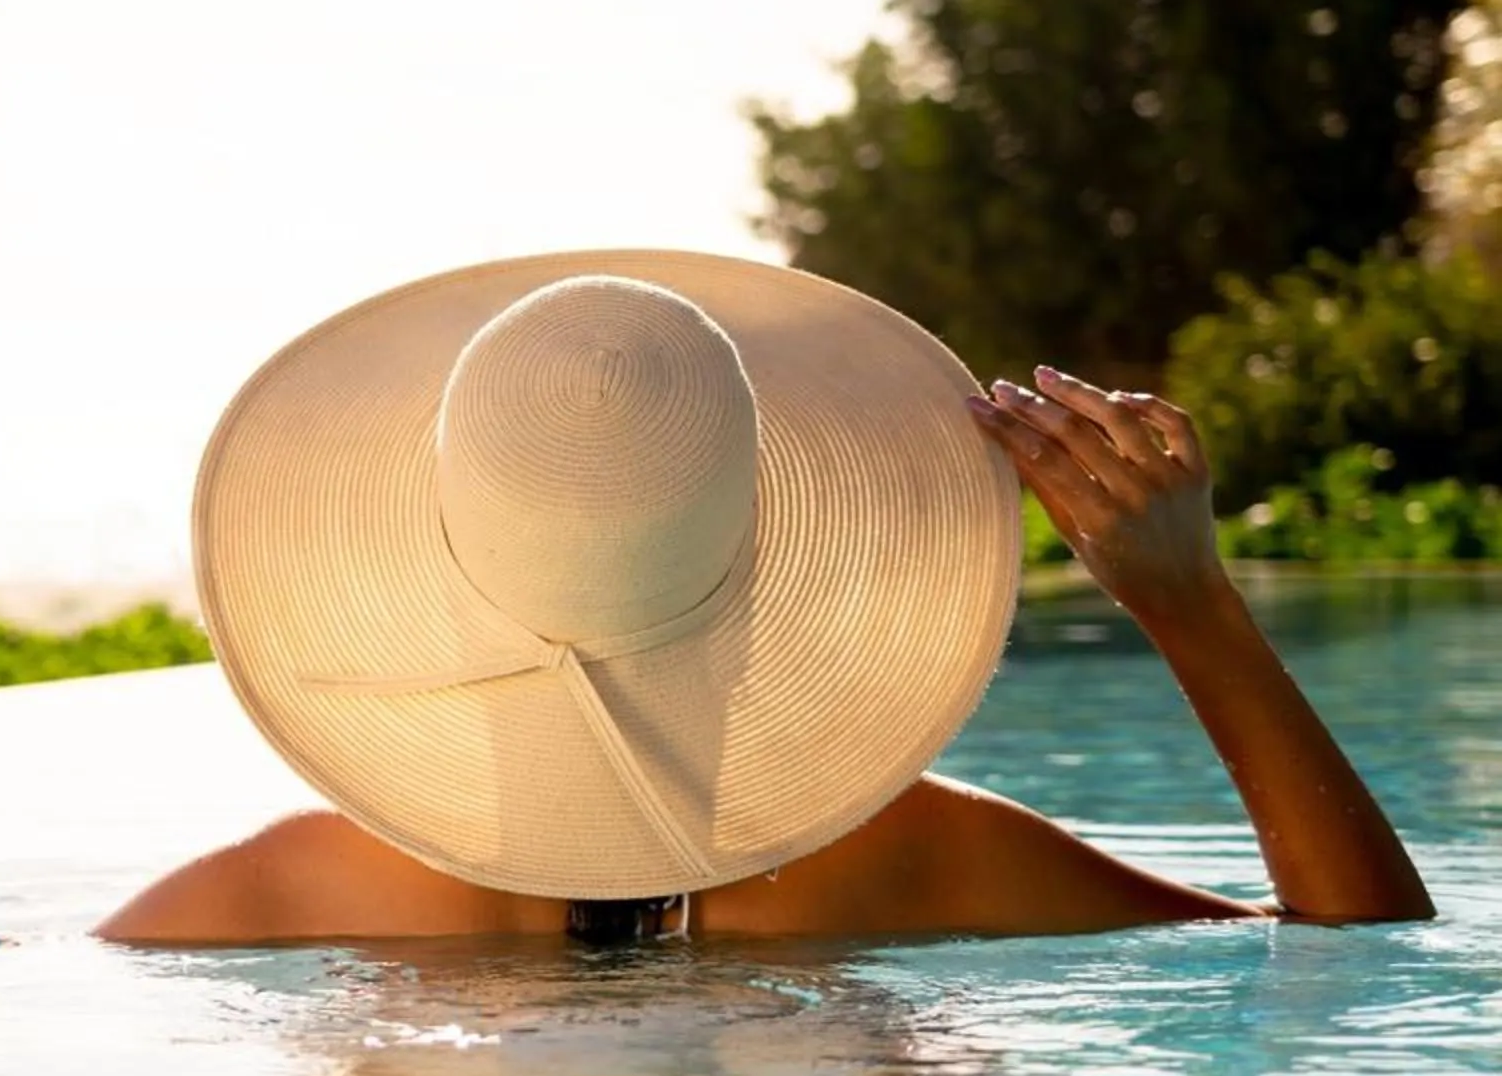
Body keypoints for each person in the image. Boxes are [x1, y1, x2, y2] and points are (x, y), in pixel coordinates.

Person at [99, 251, 1432, 944]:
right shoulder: (920, 860)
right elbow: (1351, 945)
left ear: (439, 553)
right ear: (762, 545)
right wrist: (1190, 606)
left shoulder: (269, 900)